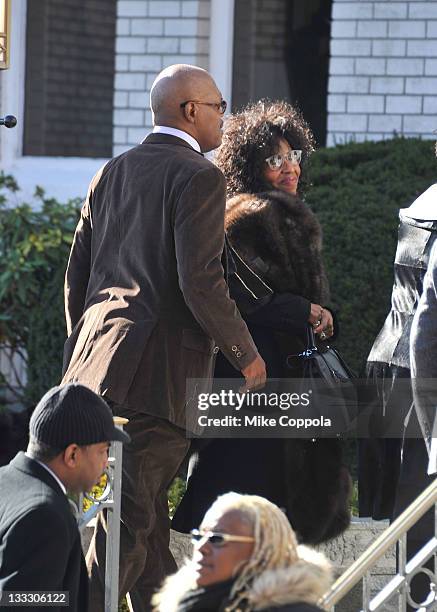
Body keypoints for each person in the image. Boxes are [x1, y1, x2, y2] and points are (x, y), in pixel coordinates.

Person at [61, 64, 266, 611]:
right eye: (218, 106)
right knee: (128, 520)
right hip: (157, 380)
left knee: (139, 516)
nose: (225, 116)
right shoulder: (198, 175)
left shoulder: (111, 172)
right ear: (189, 110)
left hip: (95, 372)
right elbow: (200, 280)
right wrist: (246, 355)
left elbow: (76, 277)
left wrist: (83, 350)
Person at [173, 100, 351, 545]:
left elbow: (301, 295)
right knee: (248, 494)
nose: (289, 167)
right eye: (275, 159)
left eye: (294, 156)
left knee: (246, 494)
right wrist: (303, 311)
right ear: (252, 165)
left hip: (270, 376)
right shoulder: (249, 216)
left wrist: (322, 317)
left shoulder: (263, 210)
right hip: (256, 374)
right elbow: (230, 297)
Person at [361, 181, 437, 607]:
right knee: (421, 514)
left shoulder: (427, 199)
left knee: (415, 515)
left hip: (394, 363)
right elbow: (427, 324)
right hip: (420, 375)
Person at [0, 383, 130, 612]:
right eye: (103, 450)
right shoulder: (45, 516)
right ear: (72, 455)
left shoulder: (5, 479)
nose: (105, 461)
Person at [154, 492, 332, 612]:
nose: (202, 547)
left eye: (217, 538)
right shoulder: (186, 604)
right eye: (199, 536)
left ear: (261, 549)